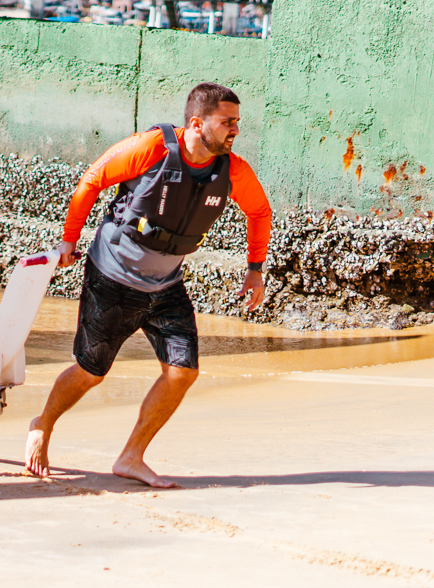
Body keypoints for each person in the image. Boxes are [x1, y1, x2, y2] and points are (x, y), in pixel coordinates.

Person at [25, 82, 272, 488]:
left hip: (165, 284)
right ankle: (43, 424)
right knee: (91, 373)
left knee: (183, 371)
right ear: (197, 123)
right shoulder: (151, 148)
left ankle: (131, 456)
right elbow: (93, 179)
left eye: (237, 123)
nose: (235, 130)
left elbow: (259, 211)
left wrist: (255, 267)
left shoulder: (233, 171)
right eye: (227, 122)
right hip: (113, 278)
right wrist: (70, 238)